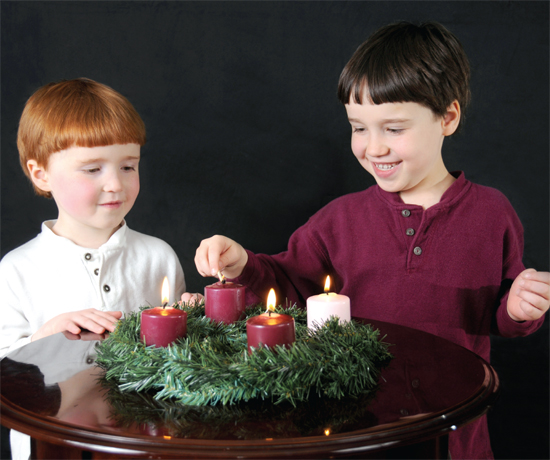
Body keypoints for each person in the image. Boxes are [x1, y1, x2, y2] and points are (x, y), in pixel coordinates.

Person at [192, 22, 549, 459]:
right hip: (356, 429)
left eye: (393, 129)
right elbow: (288, 286)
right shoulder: (338, 219)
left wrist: (519, 308)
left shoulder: (493, 213)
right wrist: (242, 263)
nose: (373, 147)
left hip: (454, 434)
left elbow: (504, 313)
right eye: (359, 128)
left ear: (448, 118)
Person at [0, 78, 186, 355]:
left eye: (127, 167)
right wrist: (46, 336)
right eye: (92, 169)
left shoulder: (158, 257)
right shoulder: (16, 270)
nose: (115, 185)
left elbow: (182, 354)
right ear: (41, 175)